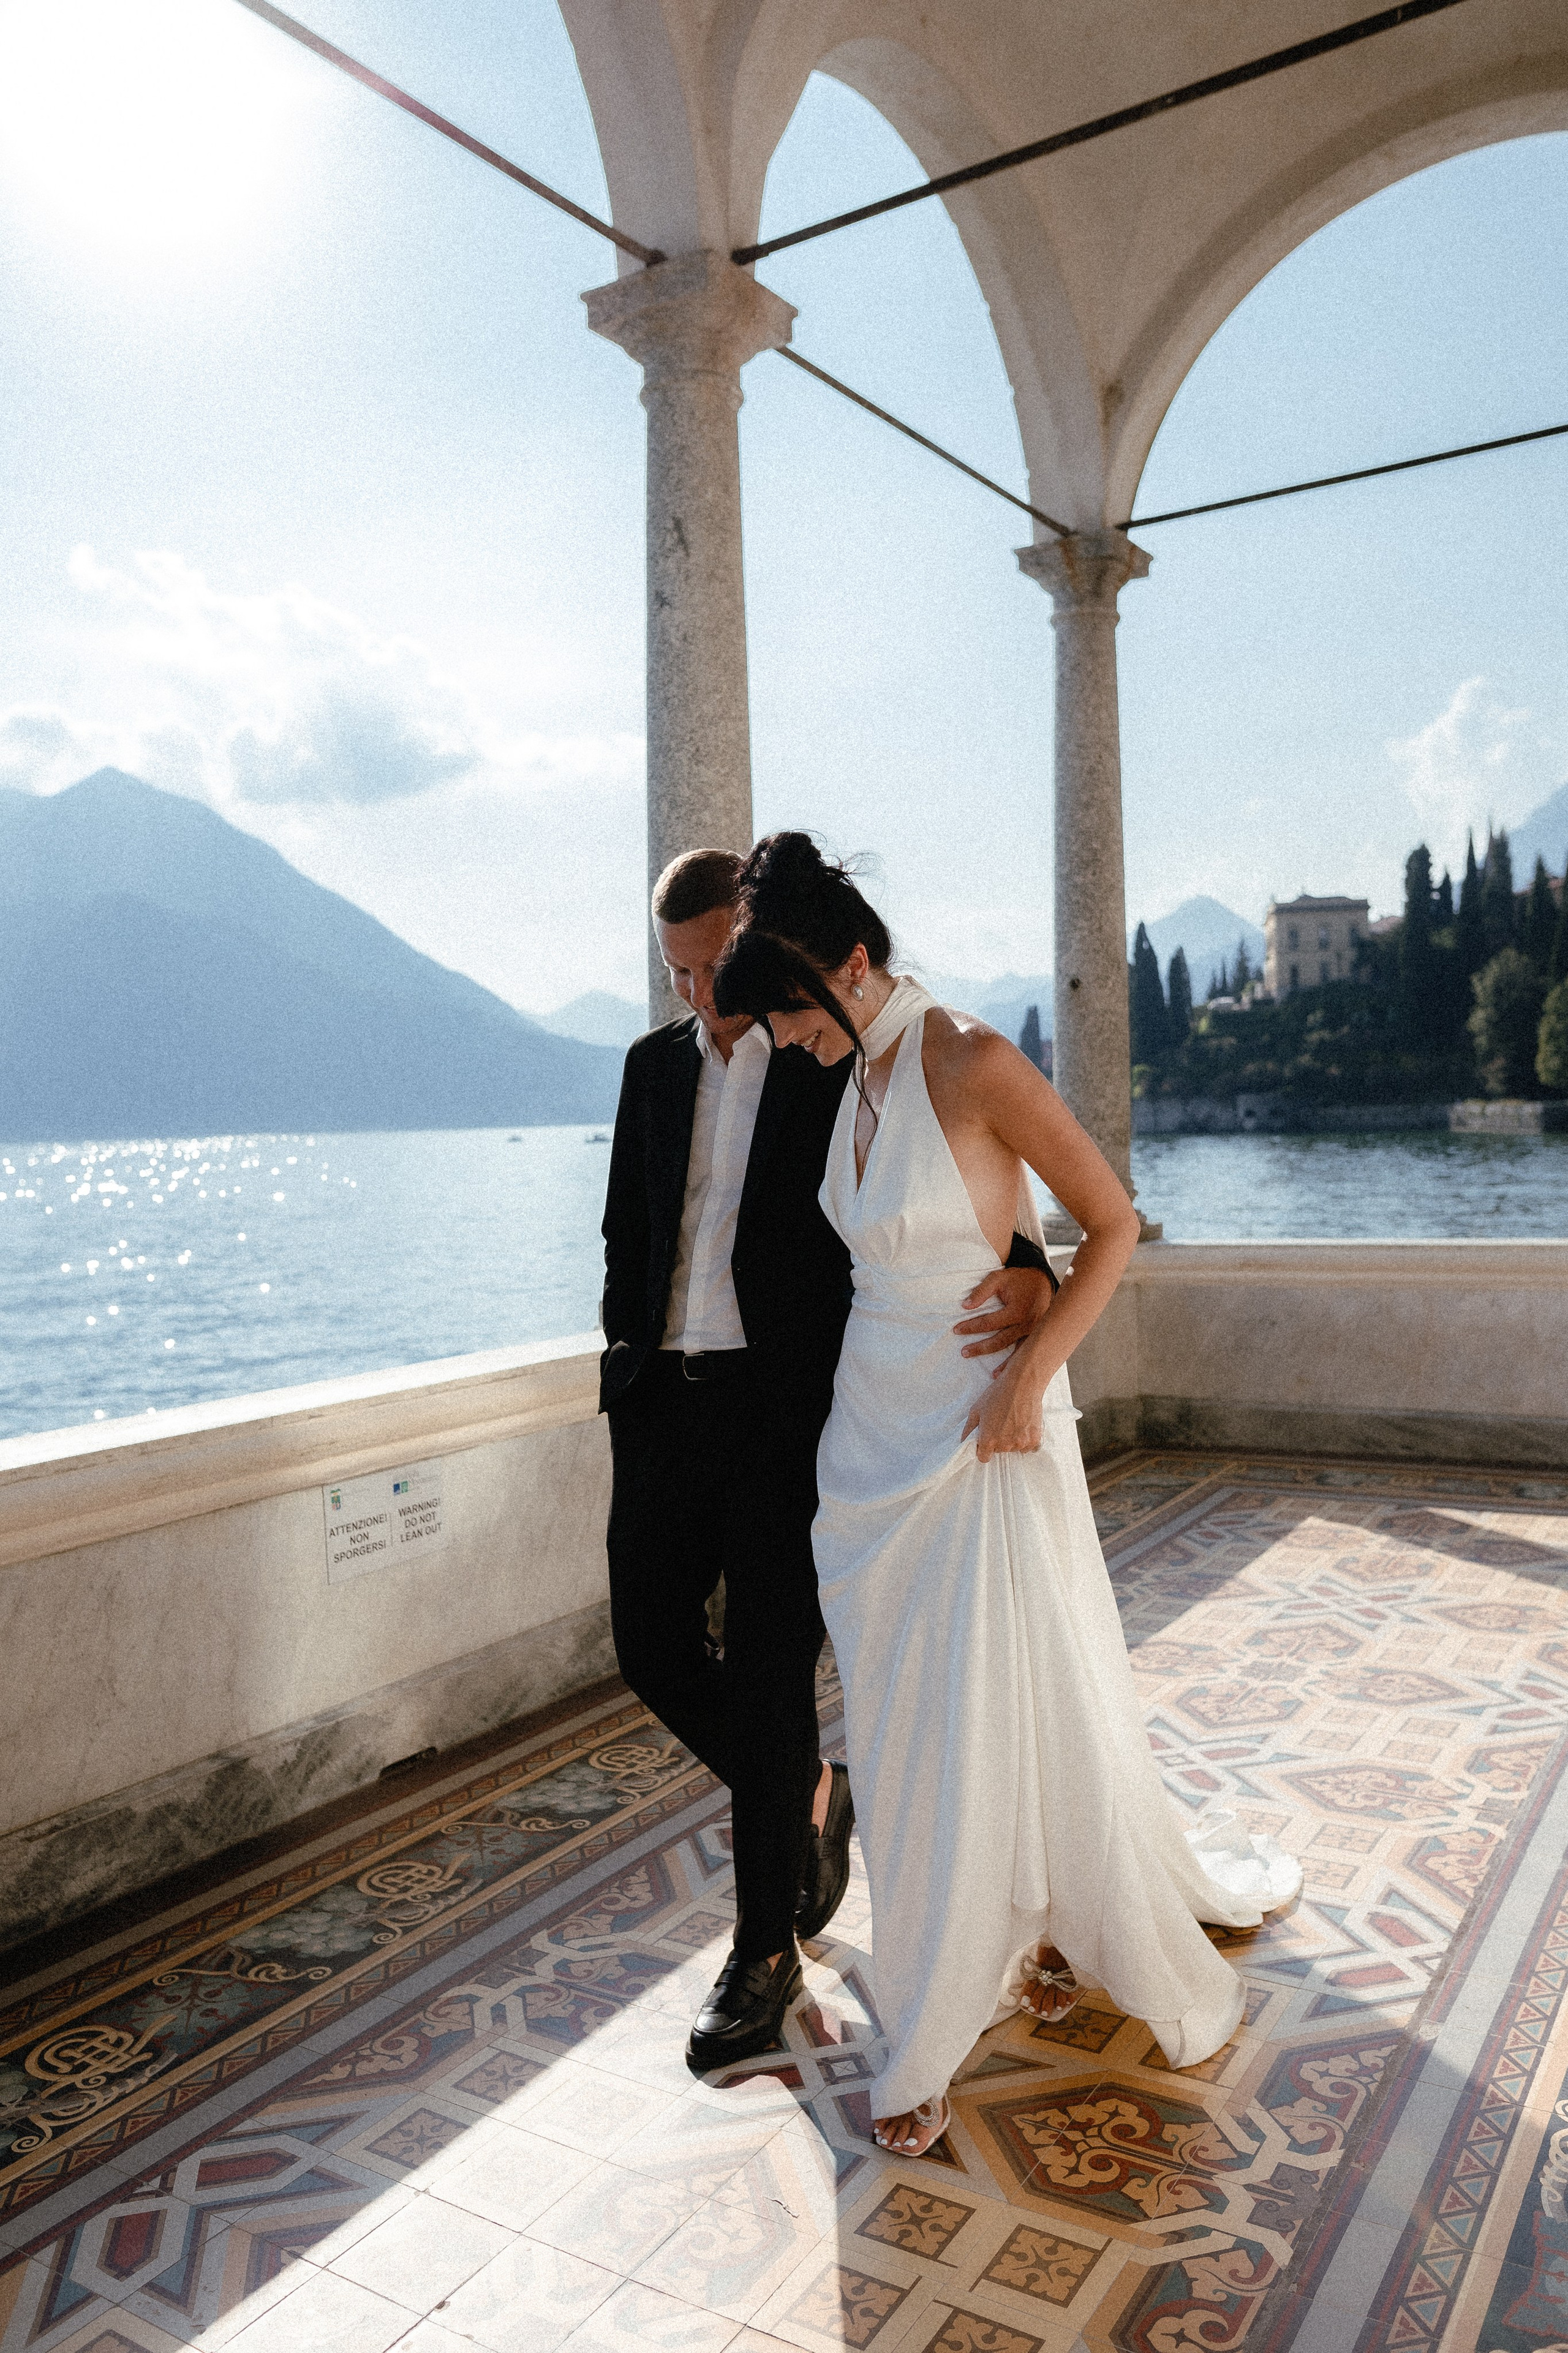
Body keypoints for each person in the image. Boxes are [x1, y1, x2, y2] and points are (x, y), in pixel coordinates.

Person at [713, 834, 1302, 2156]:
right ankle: (988, 1928)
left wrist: (1033, 1369)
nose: (788, 1043)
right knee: (908, 1726)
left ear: (853, 965)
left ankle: (929, 2025)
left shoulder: (969, 1059)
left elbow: (1111, 1220)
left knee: (978, 1715)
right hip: (867, 1450)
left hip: (981, 1438)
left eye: (795, 1013)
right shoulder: (848, 1071)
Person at [600, 847, 1056, 2071]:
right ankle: (811, 1789)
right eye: (675, 974)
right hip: (660, 1409)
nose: (697, 994)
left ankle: (761, 1952)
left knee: (762, 1675)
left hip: (781, 1417)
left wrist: (1032, 1269)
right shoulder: (648, 1071)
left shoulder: (825, 1057)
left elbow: (950, 1185)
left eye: (710, 966)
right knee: (645, 1645)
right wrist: (625, 1377)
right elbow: (627, 1236)